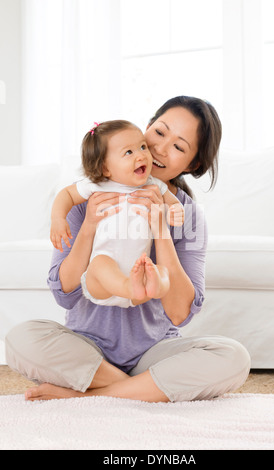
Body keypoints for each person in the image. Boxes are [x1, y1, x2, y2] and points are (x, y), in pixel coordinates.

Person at [5, 96, 251, 403]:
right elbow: (64, 293)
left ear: (193, 164)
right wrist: (91, 225)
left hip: (154, 352)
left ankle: (87, 394)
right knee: (20, 339)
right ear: (145, 129)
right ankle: (142, 389)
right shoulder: (88, 197)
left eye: (179, 146)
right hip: (87, 347)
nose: (160, 150)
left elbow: (179, 313)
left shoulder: (185, 213)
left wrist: (161, 229)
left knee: (233, 357)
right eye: (160, 133)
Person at [50, 120, 183, 308]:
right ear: (105, 168)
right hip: (101, 285)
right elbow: (66, 195)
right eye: (129, 152)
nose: (141, 155)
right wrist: (58, 219)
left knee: (161, 271)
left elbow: (173, 202)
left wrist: (175, 211)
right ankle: (129, 286)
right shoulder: (98, 185)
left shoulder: (153, 185)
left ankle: (151, 287)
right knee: (100, 264)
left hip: (138, 277)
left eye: (143, 147)